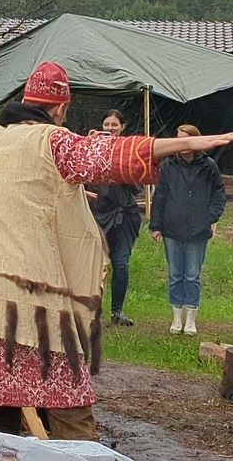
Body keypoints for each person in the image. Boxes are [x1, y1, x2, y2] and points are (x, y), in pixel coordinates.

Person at [0, 60, 233, 439]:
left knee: (1, 396)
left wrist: (67, 193)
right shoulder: (53, 140)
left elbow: (14, 187)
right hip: (31, 299)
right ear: (62, 107)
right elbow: (108, 155)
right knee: (67, 399)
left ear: (24, 99)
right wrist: (186, 143)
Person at [150, 125, 226, 338]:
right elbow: (161, 195)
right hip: (172, 227)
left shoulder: (208, 165)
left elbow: (219, 192)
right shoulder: (168, 165)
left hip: (198, 230)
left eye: (184, 139)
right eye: (178, 139)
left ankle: (191, 319)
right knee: (175, 274)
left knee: (192, 275)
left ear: (195, 141)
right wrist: (156, 225)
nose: (180, 143)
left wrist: (210, 217)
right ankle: (176, 317)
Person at [86, 109, 142, 327]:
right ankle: (94, 311)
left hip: (124, 215)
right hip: (96, 213)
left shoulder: (129, 151)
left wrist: (117, 159)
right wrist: (89, 146)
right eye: (106, 125)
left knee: (121, 264)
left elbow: (136, 186)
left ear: (122, 127)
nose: (110, 129)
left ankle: (117, 311)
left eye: (114, 125)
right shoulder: (90, 149)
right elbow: (81, 178)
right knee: (95, 266)